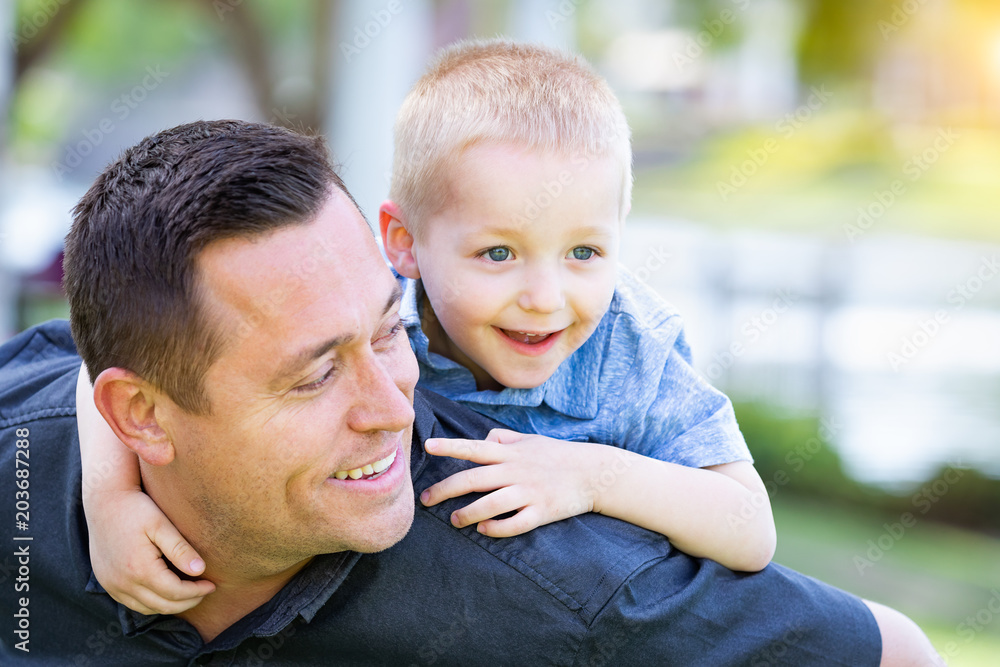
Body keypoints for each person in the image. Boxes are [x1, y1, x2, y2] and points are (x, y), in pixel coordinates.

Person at [1, 120, 939, 664]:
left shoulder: (559, 582)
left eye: (386, 329)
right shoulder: (24, 469)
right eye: (317, 371)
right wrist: (105, 491)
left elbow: (899, 653)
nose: (391, 403)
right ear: (140, 416)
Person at [81, 40, 777, 617]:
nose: (545, 297)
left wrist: (593, 476)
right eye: (498, 253)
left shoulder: (633, 349)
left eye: (585, 253)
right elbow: (106, 362)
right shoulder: (382, 320)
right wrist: (110, 502)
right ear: (405, 241)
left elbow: (751, 527)